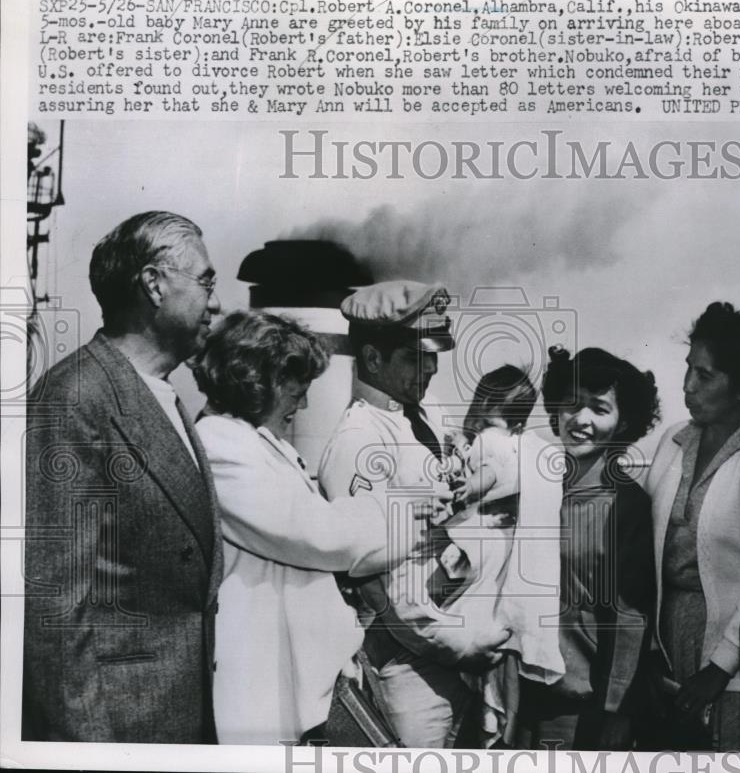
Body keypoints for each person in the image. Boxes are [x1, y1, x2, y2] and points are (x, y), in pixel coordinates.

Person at [193, 310, 447, 745]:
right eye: (299, 389)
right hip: (266, 682)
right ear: (261, 381)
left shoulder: (252, 442)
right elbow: (316, 533)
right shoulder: (220, 445)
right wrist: (405, 507)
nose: (304, 404)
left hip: (302, 675)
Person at [23, 211, 223, 742]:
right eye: (205, 281)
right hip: (120, 729)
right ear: (154, 284)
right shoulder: (75, 398)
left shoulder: (163, 397)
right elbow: (56, 610)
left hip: (172, 718)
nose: (216, 301)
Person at [317, 280, 510, 748]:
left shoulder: (424, 415)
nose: (430, 368)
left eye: (433, 354)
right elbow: (379, 582)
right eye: (413, 356)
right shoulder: (359, 441)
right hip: (409, 658)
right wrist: (460, 645)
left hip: (461, 640)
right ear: (372, 358)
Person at [643, 303, 740, 750]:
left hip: (733, 657)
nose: (687, 386)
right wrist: (648, 654)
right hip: (664, 648)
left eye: (705, 376)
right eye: (688, 369)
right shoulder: (673, 440)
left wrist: (720, 666)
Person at [516, 347, 659, 750]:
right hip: (516, 688)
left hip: (577, 700)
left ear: (623, 420)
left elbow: (630, 616)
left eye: (599, 408)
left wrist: (617, 710)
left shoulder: (626, 505)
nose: (580, 420)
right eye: (572, 404)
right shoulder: (531, 486)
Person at [444, 365, 564, 747]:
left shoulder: (488, 439)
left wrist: (465, 492)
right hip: (508, 550)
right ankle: (504, 724)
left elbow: (489, 475)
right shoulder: (520, 442)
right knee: (507, 646)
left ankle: (490, 720)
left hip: (483, 551)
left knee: (481, 638)